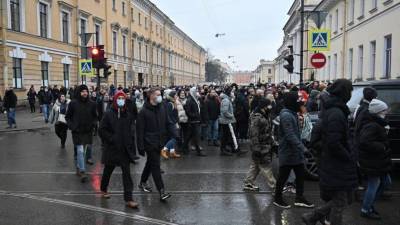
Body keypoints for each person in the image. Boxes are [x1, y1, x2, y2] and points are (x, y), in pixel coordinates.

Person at [302, 79, 357, 225]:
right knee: (339, 202)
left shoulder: (333, 109)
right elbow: (334, 143)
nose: (351, 94)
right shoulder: (336, 113)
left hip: (333, 162)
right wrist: (347, 156)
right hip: (336, 164)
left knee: (341, 200)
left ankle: (313, 216)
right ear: (344, 92)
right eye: (350, 91)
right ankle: (313, 216)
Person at [273, 91, 314, 209]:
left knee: (300, 175)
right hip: (288, 152)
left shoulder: (292, 113)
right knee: (283, 177)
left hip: (295, 152)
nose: (300, 103)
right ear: (292, 102)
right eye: (297, 101)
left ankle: (299, 198)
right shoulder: (286, 115)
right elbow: (290, 135)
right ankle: (278, 198)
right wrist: (303, 148)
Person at [99, 91, 139, 209]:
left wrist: (131, 143)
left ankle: (129, 199)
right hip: (112, 149)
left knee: (127, 174)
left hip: (124, 149)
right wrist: (112, 139)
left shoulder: (128, 113)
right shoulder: (108, 114)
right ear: (115, 100)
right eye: (119, 98)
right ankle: (103, 189)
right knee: (108, 170)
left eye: (123, 98)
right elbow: (101, 130)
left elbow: (131, 128)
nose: (121, 100)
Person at [136, 88, 176, 201]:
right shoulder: (143, 112)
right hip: (149, 142)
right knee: (155, 166)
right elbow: (140, 131)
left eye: (160, 94)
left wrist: (174, 134)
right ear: (151, 96)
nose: (160, 96)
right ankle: (161, 191)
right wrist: (140, 146)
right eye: (158, 94)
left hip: (160, 141)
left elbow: (168, 122)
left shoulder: (162, 107)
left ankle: (143, 182)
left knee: (150, 163)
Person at [359, 99, 392, 220]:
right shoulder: (373, 125)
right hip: (373, 161)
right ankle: (366, 209)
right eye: (384, 110)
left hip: (378, 160)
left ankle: (369, 204)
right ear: (378, 112)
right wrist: (382, 146)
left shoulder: (377, 122)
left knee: (385, 182)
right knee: (375, 183)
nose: (386, 112)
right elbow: (364, 142)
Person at [65, 85, 97, 183]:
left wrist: (93, 125)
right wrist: (72, 126)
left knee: (84, 151)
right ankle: (83, 171)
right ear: (79, 92)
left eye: (86, 91)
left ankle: (79, 167)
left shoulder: (92, 104)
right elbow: (68, 117)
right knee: (80, 151)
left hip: (87, 132)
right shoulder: (73, 103)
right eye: (82, 91)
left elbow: (95, 117)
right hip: (77, 132)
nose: (85, 93)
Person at [243, 98, 276, 192]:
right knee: (266, 166)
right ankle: (275, 186)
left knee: (256, 165)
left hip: (265, 144)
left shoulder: (264, 115)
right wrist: (256, 148)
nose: (270, 107)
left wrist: (273, 143)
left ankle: (248, 182)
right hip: (261, 146)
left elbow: (267, 132)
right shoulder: (257, 117)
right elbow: (254, 134)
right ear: (264, 106)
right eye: (269, 105)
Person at [219, 87, 245, 156]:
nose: (233, 93)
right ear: (229, 93)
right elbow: (224, 111)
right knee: (232, 135)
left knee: (226, 136)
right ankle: (237, 149)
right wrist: (231, 116)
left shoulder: (227, 99)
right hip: (228, 121)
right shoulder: (226, 100)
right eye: (232, 92)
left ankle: (224, 149)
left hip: (227, 121)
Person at [183, 87, 206, 156]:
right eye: (196, 92)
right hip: (193, 121)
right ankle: (198, 151)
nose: (197, 93)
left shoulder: (195, 99)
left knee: (189, 136)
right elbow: (187, 111)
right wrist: (195, 115)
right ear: (193, 92)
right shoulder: (190, 100)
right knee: (196, 137)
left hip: (196, 121)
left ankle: (184, 148)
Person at [161, 90, 181, 159]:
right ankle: (164, 150)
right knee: (175, 137)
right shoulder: (170, 104)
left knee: (173, 137)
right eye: (176, 95)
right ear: (172, 96)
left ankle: (172, 152)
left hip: (174, 122)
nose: (177, 96)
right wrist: (172, 123)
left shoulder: (173, 102)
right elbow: (168, 115)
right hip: (171, 123)